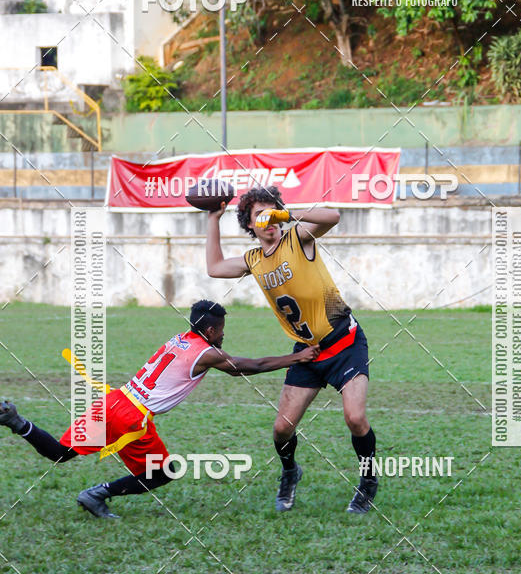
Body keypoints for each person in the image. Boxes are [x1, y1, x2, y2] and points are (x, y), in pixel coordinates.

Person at [0, 299, 318, 518]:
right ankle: (96, 494)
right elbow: (250, 365)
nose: (223, 334)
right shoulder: (206, 352)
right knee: (163, 472)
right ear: (210, 331)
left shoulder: (179, 339)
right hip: (132, 416)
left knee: (60, 452)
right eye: (220, 329)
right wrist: (296, 358)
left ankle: (16, 421)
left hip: (115, 400)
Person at [206, 186, 378, 514]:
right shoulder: (253, 260)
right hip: (307, 352)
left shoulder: (298, 238)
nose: (269, 220)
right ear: (249, 224)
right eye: (260, 215)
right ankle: (289, 472)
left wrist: (287, 212)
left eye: (273, 212)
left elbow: (333, 216)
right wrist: (213, 218)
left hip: (345, 343)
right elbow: (214, 267)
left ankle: (368, 480)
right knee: (282, 428)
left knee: (355, 418)